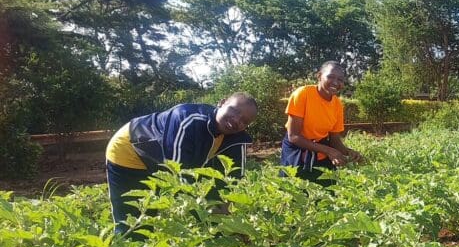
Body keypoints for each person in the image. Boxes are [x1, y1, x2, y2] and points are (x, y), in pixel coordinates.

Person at [105, 93, 258, 235]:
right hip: (130, 150)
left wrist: (232, 220)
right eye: (234, 111)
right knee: (132, 220)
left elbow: (231, 183)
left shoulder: (236, 139)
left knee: (149, 213)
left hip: (160, 160)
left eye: (244, 121)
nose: (236, 120)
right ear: (222, 102)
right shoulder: (188, 120)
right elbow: (179, 176)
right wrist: (214, 220)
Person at [280, 61, 364, 183]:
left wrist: (349, 152)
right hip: (297, 150)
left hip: (321, 149)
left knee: (326, 191)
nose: (336, 82)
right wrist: (329, 151)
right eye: (330, 77)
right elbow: (294, 136)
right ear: (319, 76)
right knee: (295, 192)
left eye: (340, 79)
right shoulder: (303, 94)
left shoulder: (337, 105)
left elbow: (334, 140)